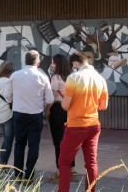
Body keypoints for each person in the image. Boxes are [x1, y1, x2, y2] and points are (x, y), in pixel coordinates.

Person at [57, 52, 108, 192]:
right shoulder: (100, 79)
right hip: (93, 125)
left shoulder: (73, 78)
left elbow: (65, 106)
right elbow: (103, 106)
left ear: (74, 63)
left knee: (64, 162)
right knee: (91, 163)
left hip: (75, 125)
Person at [4, 50, 54, 184]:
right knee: (34, 146)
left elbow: (6, 95)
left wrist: (16, 100)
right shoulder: (43, 77)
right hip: (35, 115)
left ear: (24, 61)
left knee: (19, 144)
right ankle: (29, 176)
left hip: (19, 113)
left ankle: (18, 175)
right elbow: (50, 99)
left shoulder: (15, 75)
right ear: (38, 63)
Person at [46, 54, 77, 183]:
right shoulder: (72, 76)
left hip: (58, 110)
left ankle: (59, 173)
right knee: (70, 142)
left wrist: (46, 110)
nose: (51, 65)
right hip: (71, 110)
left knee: (58, 142)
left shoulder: (55, 77)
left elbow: (52, 98)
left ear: (58, 64)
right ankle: (73, 171)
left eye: (53, 63)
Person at [0, 61, 16, 170]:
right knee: (8, 143)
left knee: (5, 141)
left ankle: (1, 165)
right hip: (8, 114)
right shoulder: (8, 81)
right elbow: (10, 97)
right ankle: (3, 168)